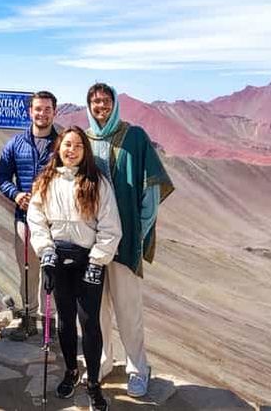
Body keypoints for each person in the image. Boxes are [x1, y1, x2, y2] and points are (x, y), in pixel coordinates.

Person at [84, 83, 174, 398]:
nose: (101, 107)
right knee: (96, 310)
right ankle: (103, 362)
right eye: (95, 102)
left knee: (128, 309)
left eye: (106, 101)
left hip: (125, 240)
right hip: (90, 244)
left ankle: (137, 368)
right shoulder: (84, 139)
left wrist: (139, 230)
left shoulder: (134, 137)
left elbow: (150, 191)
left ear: (115, 104)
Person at [27, 126, 122, 411]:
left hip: (88, 261)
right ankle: (71, 371)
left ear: (85, 150)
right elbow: (36, 218)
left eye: (78, 145)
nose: (71, 150)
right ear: (59, 148)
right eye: (67, 145)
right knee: (65, 321)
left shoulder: (97, 182)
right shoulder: (46, 180)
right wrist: (45, 250)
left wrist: (98, 260)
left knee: (90, 323)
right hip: (57, 258)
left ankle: (93, 383)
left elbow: (110, 225)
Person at [0, 90, 59, 340]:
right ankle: (29, 318)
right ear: (29, 111)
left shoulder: (63, 143)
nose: (41, 113)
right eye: (37, 109)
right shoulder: (15, 144)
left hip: (57, 221)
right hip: (24, 218)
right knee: (27, 270)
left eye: (47, 109)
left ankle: (50, 322)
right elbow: (2, 176)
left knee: (52, 271)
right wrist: (15, 194)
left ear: (55, 111)